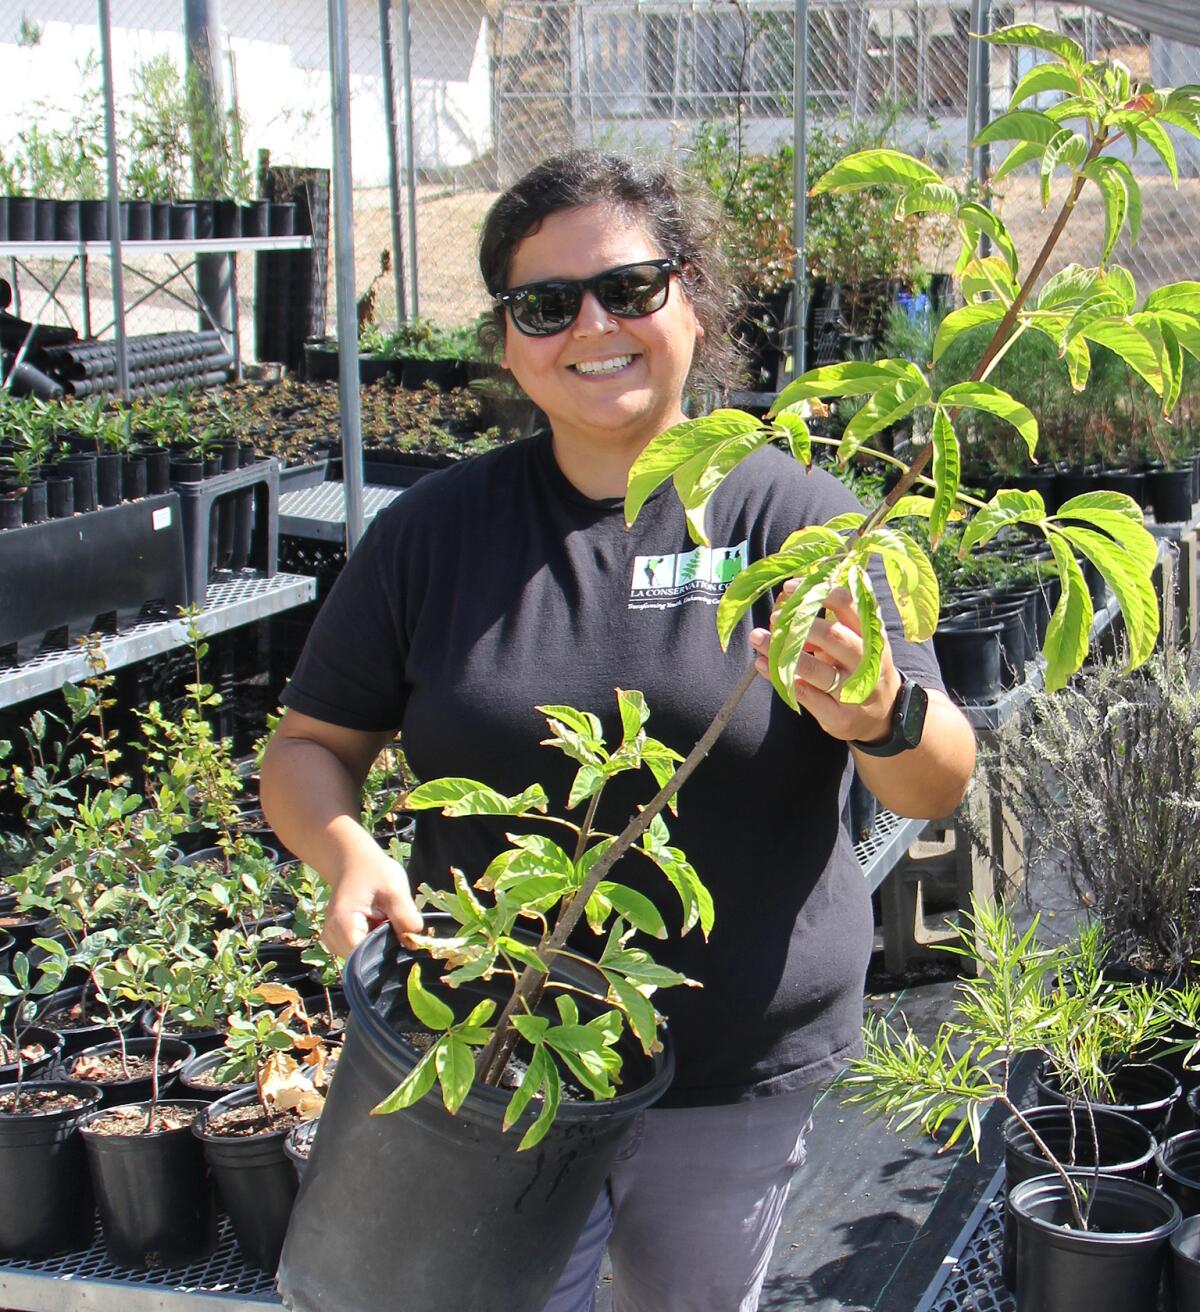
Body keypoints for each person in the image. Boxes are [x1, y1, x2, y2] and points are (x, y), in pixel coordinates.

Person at [260, 150, 976, 1312]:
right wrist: (346, 850)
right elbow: (306, 749)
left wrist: (882, 715)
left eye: (631, 289)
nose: (593, 324)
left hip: (728, 1062)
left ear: (692, 297)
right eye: (546, 304)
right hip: (494, 1052)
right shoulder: (433, 534)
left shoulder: (799, 516)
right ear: (507, 340)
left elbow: (937, 785)